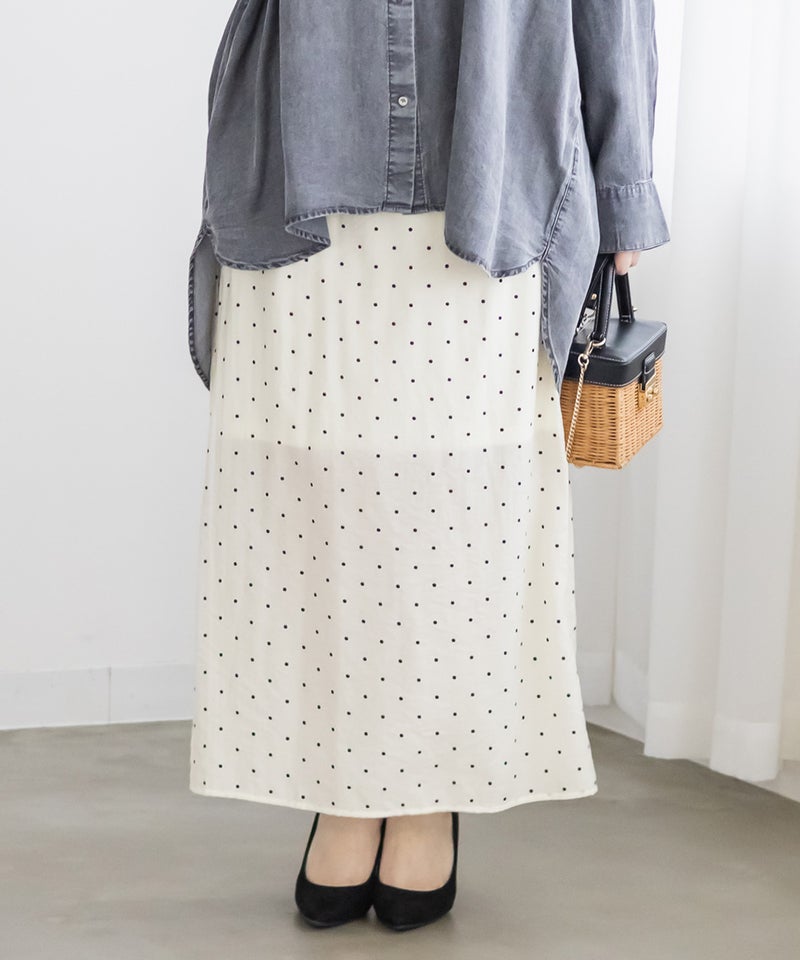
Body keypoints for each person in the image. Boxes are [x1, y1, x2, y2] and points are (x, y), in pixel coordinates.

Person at [186, 0, 670, 932]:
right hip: (301, 162)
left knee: (458, 519)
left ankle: (426, 793)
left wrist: (625, 185)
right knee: (311, 500)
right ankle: (344, 787)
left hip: (494, 163)